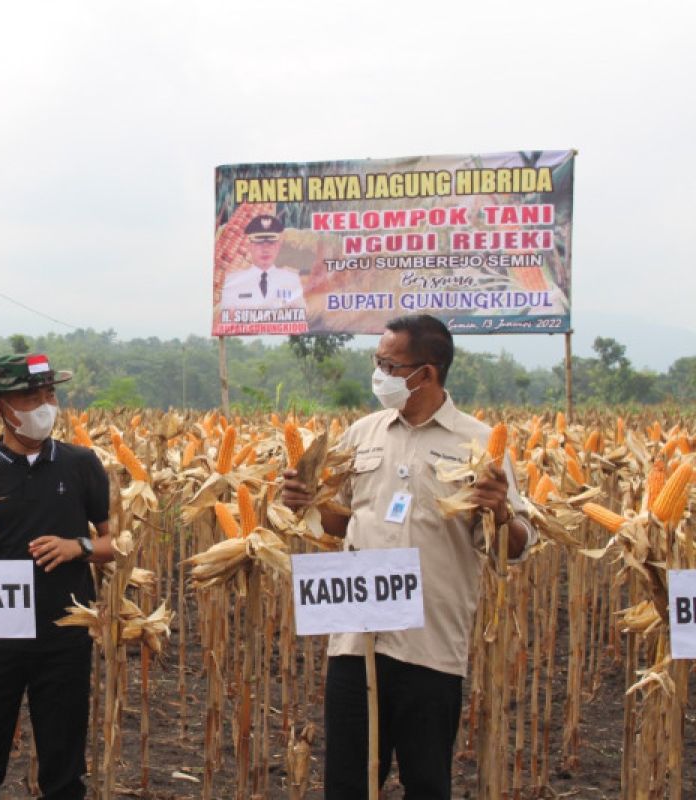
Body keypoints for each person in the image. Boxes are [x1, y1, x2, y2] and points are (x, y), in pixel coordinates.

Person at [281, 314, 536, 799]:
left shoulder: (479, 444)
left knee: (426, 781)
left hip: (428, 642)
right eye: (377, 361)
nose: (379, 373)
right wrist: (307, 502)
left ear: (427, 373)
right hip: (356, 636)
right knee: (349, 782)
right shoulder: (362, 433)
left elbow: (517, 544)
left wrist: (501, 512)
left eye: (389, 364)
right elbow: (343, 520)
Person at [0, 353, 112, 800]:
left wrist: (79, 547)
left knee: (64, 770)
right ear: (0, 407)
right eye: (30, 396)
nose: (43, 405)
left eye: (49, 394)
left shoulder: (82, 464)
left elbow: (115, 544)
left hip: (65, 632)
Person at [220, 214, 307, 311]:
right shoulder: (233, 281)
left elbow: (301, 318)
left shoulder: (291, 280)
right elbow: (225, 319)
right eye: (259, 242)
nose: (265, 249)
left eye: (271, 242)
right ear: (250, 246)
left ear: (278, 246)